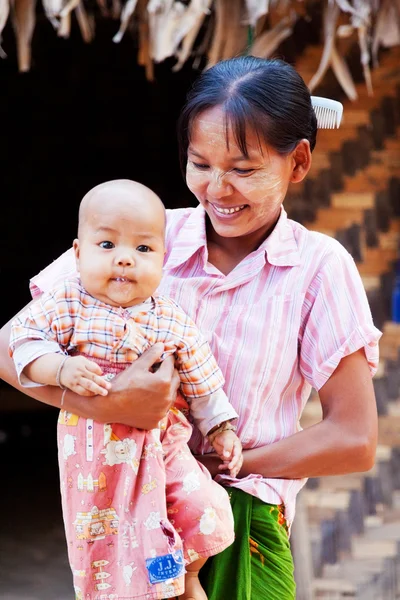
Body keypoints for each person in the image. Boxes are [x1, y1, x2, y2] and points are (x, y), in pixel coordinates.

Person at [0, 56, 380, 600]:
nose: (218, 188)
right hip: (126, 503)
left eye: (244, 170)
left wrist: (221, 460)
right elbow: (8, 348)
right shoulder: (138, 238)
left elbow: (354, 439)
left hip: (239, 514)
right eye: (200, 164)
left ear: (297, 162)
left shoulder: (318, 268)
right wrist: (110, 406)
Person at [8, 180, 242, 600]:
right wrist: (59, 368)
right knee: (118, 535)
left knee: (200, 506)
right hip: (95, 452)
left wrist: (221, 427)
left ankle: (185, 576)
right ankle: (152, 589)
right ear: (77, 254)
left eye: (143, 250)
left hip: (163, 444)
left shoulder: (169, 317)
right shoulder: (68, 302)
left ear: (163, 262)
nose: (125, 260)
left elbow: (202, 377)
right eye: (107, 245)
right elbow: (22, 343)